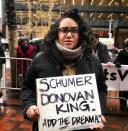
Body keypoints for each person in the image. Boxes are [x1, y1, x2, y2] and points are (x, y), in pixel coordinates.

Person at [21, 8, 107, 131]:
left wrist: (99, 112)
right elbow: (27, 87)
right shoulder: (40, 58)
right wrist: (29, 106)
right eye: (64, 30)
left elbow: (101, 89)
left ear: (80, 33)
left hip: (83, 127)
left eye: (74, 30)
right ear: (57, 33)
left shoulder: (93, 60)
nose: (69, 35)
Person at [114, 38, 128, 111]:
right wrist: (117, 63)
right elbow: (116, 60)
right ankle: (122, 105)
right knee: (122, 91)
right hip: (122, 75)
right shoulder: (122, 52)